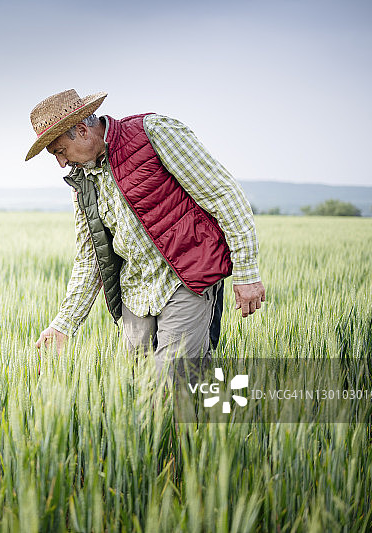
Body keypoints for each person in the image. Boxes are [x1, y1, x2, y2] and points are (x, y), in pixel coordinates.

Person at [28, 89, 265, 374]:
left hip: (187, 279)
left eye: (60, 151)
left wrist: (247, 272)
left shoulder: (154, 132)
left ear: (82, 130)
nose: (62, 163)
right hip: (135, 293)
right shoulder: (82, 182)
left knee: (173, 381)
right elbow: (90, 258)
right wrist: (63, 324)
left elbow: (223, 195)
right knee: (138, 384)